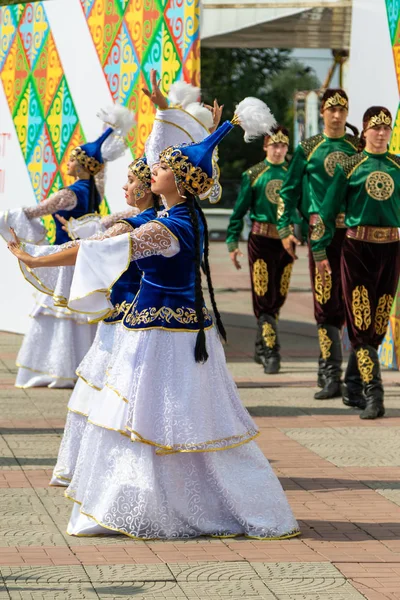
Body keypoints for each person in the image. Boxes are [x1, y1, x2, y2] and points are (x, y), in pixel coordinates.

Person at [9, 98, 300, 540]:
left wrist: (36, 258)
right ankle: (154, 498)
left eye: (162, 167)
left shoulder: (167, 227)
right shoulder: (181, 216)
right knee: (172, 420)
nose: (153, 169)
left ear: (178, 181)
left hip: (163, 337)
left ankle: (152, 505)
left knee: (151, 419)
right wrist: (211, 130)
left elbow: (101, 251)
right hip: (176, 332)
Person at [49, 76, 220, 486]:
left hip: (152, 327)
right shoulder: (170, 217)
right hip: (153, 322)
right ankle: (137, 482)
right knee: (141, 407)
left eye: (136, 179)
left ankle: (142, 485)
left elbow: (102, 246)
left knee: (143, 408)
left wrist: (37, 259)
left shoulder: (157, 223)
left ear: (153, 187)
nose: (126, 186)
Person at [0, 106, 134, 388]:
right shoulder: (94, 190)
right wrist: (105, 134)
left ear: (83, 165)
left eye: (73, 159)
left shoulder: (68, 193)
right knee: (81, 314)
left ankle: (58, 371)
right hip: (82, 260)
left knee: (59, 314)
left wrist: (6, 217)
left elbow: (33, 212)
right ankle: (78, 369)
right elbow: (99, 186)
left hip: (64, 259)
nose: (68, 163)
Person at [312, 106, 400, 419]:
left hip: (391, 249)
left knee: (377, 324)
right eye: (375, 127)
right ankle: (375, 396)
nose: (381, 133)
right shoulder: (350, 167)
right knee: (361, 321)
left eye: (386, 128)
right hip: (356, 249)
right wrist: (320, 250)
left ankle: (352, 383)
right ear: (364, 131)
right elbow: (326, 210)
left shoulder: (398, 166)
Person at [277, 89, 360, 400]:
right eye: (331, 109)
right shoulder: (308, 149)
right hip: (320, 235)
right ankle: (329, 373)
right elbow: (288, 191)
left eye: (342, 110)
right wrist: (285, 228)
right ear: (323, 112)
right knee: (326, 304)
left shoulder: (357, 147)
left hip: (354, 234)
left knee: (356, 301)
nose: (337, 116)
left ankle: (356, 378)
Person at [226, 125, 292, 373]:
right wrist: (233, 243)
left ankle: (260, 345)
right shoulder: (253, 174)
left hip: (286, 243)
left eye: (283, 145)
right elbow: (239, 211)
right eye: (274, 145)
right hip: (261, 241)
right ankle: (272, 353)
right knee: (264, 296)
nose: (278, 150)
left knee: (279, 295)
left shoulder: (293, 174)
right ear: (265, 146)